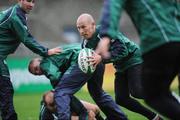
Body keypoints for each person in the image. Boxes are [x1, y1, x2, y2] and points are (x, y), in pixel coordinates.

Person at [97, 0, 180, 119]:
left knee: (153, 95)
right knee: (123, 98)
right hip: (175, 39)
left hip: (159, 44)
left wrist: (105, 36)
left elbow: (112, 6)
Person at [76, 13, 162, 120]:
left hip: (134, 58)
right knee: (121, 99)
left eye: (83, 27)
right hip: (120, 66)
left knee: (137, 91)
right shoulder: (85, 45)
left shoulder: (105, 32)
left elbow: (123, 50)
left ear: (93, 24)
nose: (81, 31)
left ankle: (165, 93)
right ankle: (154, 117)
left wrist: (101, 58)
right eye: (78, 28)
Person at [28, 44, 128, 120]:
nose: (38, 71)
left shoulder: (46, 64)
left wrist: (58, 88)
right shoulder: (56, 53)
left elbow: (56, 77)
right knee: (98, 94)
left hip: (81, 62)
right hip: (94, 57)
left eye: (36, 68)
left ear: (39, 60)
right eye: (36, 73)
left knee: (61, 92)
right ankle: (120, 117)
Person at [0, 0, 61, 120]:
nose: (31, 4)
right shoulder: (15, 15)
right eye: (28, 0)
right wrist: (46, 51)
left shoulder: (15, 13)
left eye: (34, 1)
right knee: (6, 91)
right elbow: (27, 39)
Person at [39, 90, 104, 120]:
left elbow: (83, 111)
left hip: (71, 112)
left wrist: (88, 116)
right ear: (46, 105)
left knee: (94, 109)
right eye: (52, 105)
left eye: (57, 102)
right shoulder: (45, 115)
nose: (56, 106)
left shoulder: (66, 97)